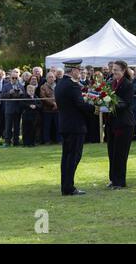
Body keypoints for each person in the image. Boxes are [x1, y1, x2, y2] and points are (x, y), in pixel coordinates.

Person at [55, 59, 97, 196]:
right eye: (79, 70)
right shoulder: (72, 86)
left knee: (66, 157)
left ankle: (65, 186)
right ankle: (69, 187)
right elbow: (79, 104)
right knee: (73, 157)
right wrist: (95, 108)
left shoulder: (61, 84)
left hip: (65, 125)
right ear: (73, 70)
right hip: (75, 126)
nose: (80, 72)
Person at [106, 60, 135, 190]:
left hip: (124, 123)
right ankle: (113, 179)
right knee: (112, 152)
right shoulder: (113, 83)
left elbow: (126, 103)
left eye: (116, 70)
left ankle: (120, 181)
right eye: (113, 69)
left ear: (123, 70)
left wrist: (111, 104)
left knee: (120, 153)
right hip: (113, 123)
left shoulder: (127, 84)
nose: (114, 72)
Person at [1, 71, 25, 147]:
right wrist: (9, 93)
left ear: (18, 78)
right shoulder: (6, 86)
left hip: (18, 109)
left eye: (16, 78)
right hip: (9, 109)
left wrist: (21, 94)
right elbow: (2, 96)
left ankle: (16, 141)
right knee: (8, 126)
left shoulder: (21, 86)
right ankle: (7, 141)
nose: (14, 79)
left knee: (17, 127)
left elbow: (24, 97)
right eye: (13, 78)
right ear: (10, 78)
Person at [40, 72, 61, 144]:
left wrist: (57, 104)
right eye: (49, 77)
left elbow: (61, 96)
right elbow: (43, 97)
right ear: (46, 78)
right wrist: (53, 103)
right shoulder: (43, 87)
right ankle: (47, 140)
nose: (51, 78)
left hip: (57, 110)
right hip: (47, 110)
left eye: (52, 77)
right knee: (47, 126)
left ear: (55, 78)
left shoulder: (58, 86)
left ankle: (59, 140)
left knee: (58, 126)